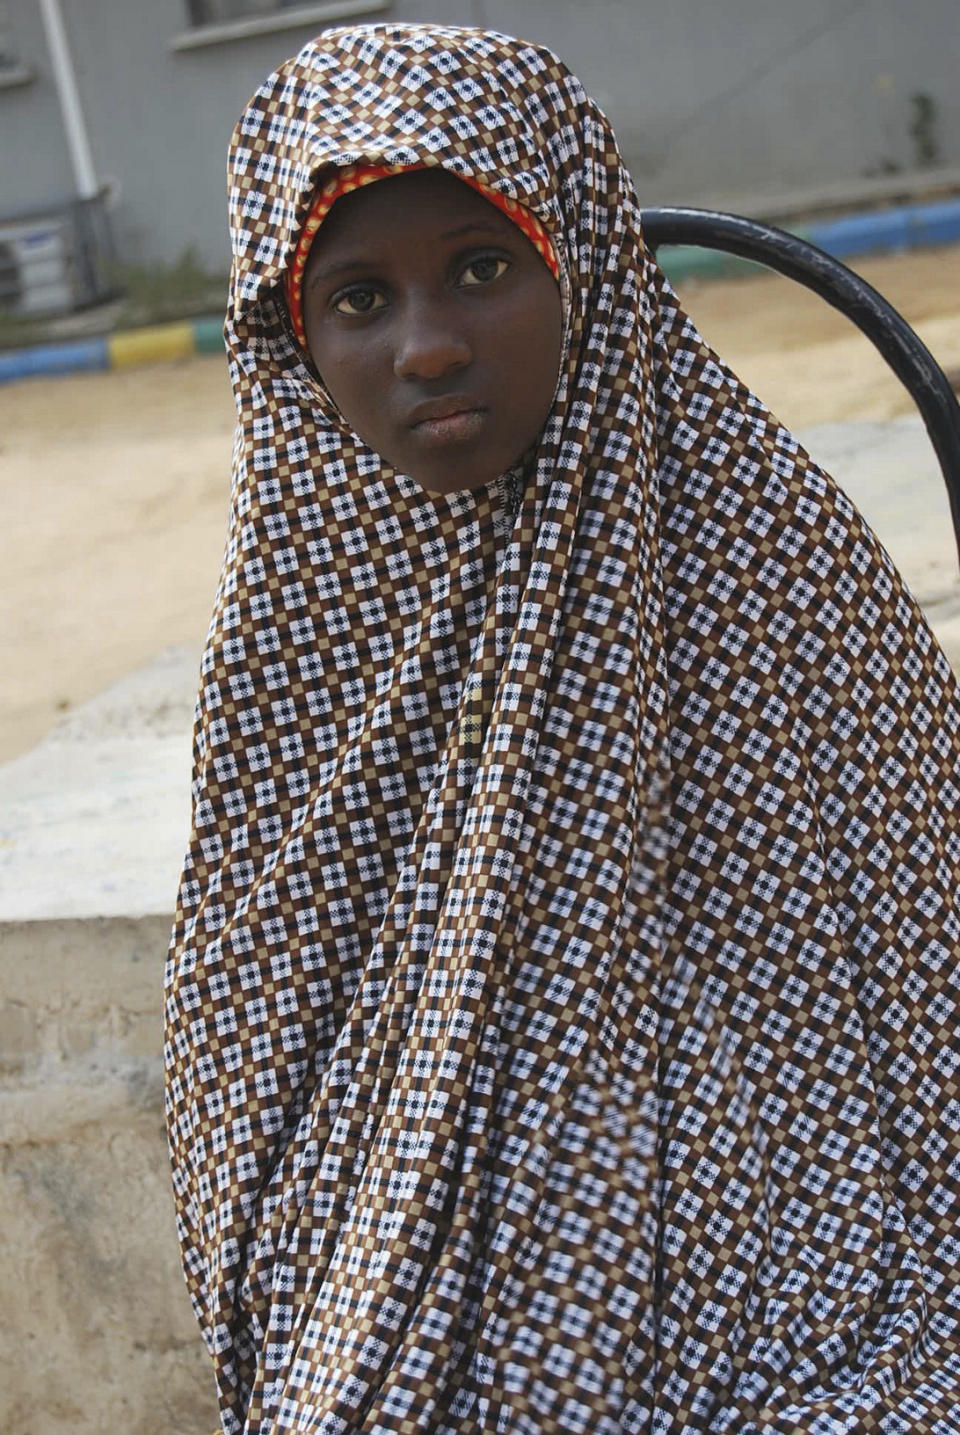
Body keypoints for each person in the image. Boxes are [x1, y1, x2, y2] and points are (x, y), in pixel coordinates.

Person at [164, 22, 960, 1434]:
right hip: (377, 1249)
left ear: (578, 262)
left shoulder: (761, 569)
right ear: (291, 336)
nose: (426, 347)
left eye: (483, 269)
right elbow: (251, 1038)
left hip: (757, 1226)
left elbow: (894, 1004)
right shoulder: (304, 629)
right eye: (358, 298)